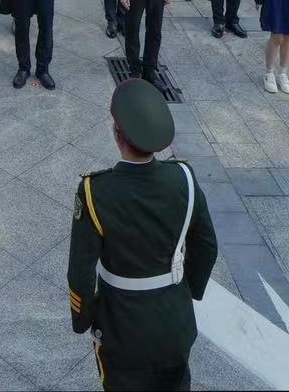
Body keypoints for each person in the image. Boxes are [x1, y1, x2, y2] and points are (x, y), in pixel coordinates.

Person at [68, 78, 218, 392]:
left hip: (123, 330)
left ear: (117, 135)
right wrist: (185, 292)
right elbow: (206, 247)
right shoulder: (184, 178)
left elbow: (80, 274)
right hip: (174, 324)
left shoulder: (96, 192)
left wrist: (83, 320)